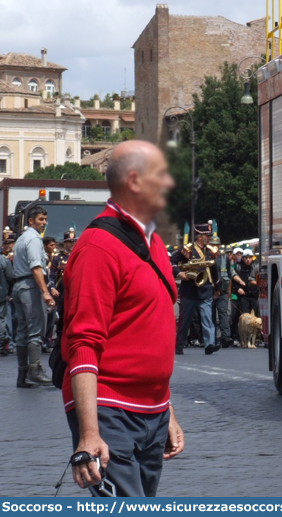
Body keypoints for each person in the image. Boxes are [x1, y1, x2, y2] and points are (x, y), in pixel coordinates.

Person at [62, 140, 184, 497]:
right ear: (134, 181)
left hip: (152, 410)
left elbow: (147, 333)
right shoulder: (97, 248)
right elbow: (82, 343)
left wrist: (167, 409)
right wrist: (88, 433)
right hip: (109, 410)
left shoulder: (154, 244)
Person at [10, 206, 55, 387]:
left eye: (45, 219)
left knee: (22, 331)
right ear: (31, 221)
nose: (44, 223)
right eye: (40, 219)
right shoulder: (34, 239)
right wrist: (45, 291)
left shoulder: (22, 238)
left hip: (19, 286)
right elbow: (36, 267)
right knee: (35, 329)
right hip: (30, 285)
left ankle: (23, 375)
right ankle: (35, 369)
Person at [171, 222, 220, 356]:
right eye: (207, 236)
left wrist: (217, 287)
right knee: (185, 319)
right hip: (189, 289)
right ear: (200, 236)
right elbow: (171, 261)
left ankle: (209, 344)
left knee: (207, 318)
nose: (209, 238)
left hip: (205, 289)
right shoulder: (187, 249)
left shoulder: (210, 251)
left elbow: (214, 269)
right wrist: (179, 273)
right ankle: (179, 345)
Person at [210, 242, 234, 349]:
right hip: (209, 291)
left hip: (223, 291)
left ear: (219, 246)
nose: (214, 247)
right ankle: (212, 338)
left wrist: (229, 291)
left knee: (223, 314)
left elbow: (229, 275)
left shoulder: (225, 258)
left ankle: (226, 337)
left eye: (216, 245)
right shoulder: (205, 256)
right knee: (210, 315)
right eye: (212, 244)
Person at [231, 247, 260, 330]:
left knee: (254, 317)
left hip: (254, 295)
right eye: (246, 258)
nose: (248, 260)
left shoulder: (256, 267)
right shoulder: (238, 267)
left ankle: (254, 337)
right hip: (243, 296)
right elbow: (233, 282)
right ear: (243, 258)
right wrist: (238, 289)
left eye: (250, 257)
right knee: (245, 316)